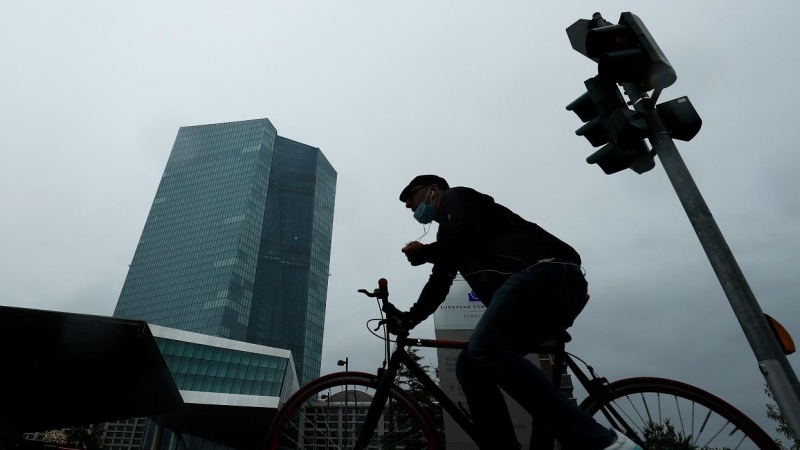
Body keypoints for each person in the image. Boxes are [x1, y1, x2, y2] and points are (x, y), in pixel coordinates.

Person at [394, 175, 641, 450]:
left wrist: (426, 252)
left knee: (485, 349)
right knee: (470, 366)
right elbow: (439, 283)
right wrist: (409, 317)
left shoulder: (457, 197)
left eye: (410, 197)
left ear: (432, 189)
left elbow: (470, 235)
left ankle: (601, 442)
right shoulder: (447, 238)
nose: (409, 207)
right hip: (535, 290)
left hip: (546, 272)